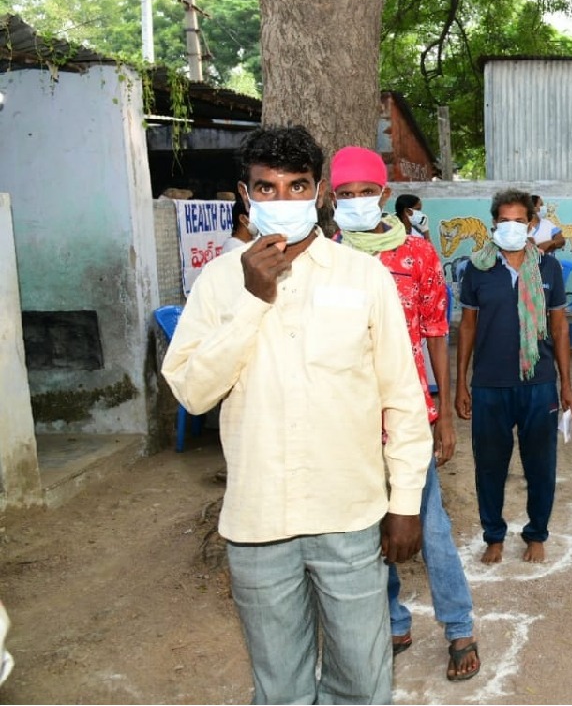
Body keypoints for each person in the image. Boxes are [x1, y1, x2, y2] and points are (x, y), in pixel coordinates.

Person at [161, 126, 431, 704]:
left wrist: (405, 503)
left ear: (318, 194)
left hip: (349, 515)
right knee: (280, 687)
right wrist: (252, 299)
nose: (282, 202)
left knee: (363, 680)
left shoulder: (364, 278)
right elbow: (192, 392)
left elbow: (402, 399)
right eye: (267, 188)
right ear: (245, 193)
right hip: (258, 520)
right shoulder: (216, 283)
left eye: (297, 187)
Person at [329, 147, 480, 682]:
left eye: (363, 193)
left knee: (430, 525)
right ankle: (393, 621)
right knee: (369, 525)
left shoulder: (418, 255)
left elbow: (437, 333)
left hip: (409, 412)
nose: (354, 203)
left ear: (384, 196)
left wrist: (442, 416)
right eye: (344, 195)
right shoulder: (327, 257)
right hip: (349, 418)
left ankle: (459, 627)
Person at [456, 189, 572, 564]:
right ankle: (494, 535)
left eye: (518, 221)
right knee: (490, 466)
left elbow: (559, 329)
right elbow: (467, 328)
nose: (511, 227)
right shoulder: (476, 268)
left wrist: (566, 384)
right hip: (490, 385)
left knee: (540, 464)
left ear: (531, 224)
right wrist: (461, 382)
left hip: (538, 383)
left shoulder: (548, 268)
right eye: (504, 221)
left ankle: (536, 533)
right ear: (494, 223)